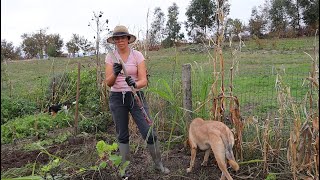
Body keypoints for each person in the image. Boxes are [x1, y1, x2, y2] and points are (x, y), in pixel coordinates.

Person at [104, 25, 170, 176]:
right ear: (114, 41)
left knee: (149, 131)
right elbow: (108, 82)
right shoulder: (110, 57)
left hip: (135, 96)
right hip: (117, 98)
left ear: (128, 39)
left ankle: (158, 164)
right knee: (122, 134)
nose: (120, 40)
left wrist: (135, 84)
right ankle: (124, 168)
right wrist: (114, 73)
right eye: (117, 38)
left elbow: (143, 81)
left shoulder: (137, 56)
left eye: (123, 37)